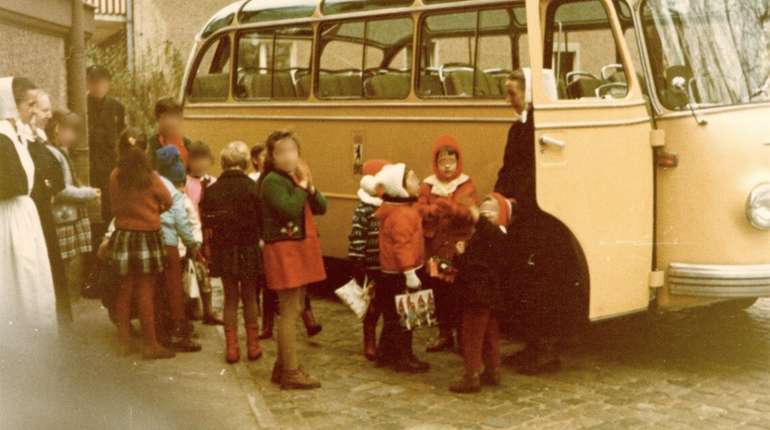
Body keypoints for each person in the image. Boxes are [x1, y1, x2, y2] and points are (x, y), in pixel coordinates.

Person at [494, 70, 588, 374]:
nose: (510, 100)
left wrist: (509, 199)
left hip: (539, 215)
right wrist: (498, 198)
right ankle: (536, 345)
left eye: (513, 93)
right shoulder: (521, 128)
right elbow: (510, 170)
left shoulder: (535, 129)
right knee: (532, 280)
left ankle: (544, 349)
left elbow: (528, 173)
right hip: (530, 212)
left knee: (540, 281)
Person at [258, 130, 326, 389]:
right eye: (282, 152)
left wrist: (310, 185)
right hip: (284, 250)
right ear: (272, 157)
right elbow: (289, 208)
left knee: (297, 307)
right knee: (288, 311)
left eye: (292, 151)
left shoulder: (293, 178)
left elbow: (321, 206)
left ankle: (282, 364)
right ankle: (291, 371)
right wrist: (301, 186)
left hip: (297, 248)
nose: (288, 157)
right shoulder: (272, 182)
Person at [108, 127, 175, 360]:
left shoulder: (116, 175)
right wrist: (155, 210)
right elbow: (168, 200)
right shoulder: (152, 177)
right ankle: (151, 345)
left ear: (120, 149)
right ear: (146, 150)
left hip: (124, 235)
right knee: (146, 292)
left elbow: (113, 204)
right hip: (147, 235)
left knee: (124, 291)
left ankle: (124, 342)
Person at [361, 163, 430, 373]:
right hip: (402, 274)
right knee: (406, 318)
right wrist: (410, 273)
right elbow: (402, 247)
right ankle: (404, 357)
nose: (418, 181)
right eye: (412, 179)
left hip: (389, 273)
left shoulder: (397, 209)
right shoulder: (403, 215)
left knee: (392, 316)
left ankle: (385, 353)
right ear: (399, 188)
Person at [0, 76, 57, 331]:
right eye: (29, 104)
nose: (34, 110)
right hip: (9, 219)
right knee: (15, 280)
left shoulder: (17, 135)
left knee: (31, 280)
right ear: (11, 105)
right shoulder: (3, 138)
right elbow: (13, 183)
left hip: (23, 217)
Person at [201, 141, 263, 364]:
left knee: (229, 298)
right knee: (249, 297)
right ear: (246, 163)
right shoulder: (253, 187)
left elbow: (207, 220)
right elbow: (261, 219)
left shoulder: (213, 190)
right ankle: (253, 345)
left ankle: (232, 348)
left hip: (224, 249)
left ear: (224, 163)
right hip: (248, 247)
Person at [417, 134, 478, 353]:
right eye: (442, 161)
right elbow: (419, 208)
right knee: (439, 292)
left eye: (451, 161)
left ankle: (463, 338)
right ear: (436, 163)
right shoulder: (427, 185)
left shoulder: (465, 184)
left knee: (458, 293)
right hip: (436, 248)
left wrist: (452, 209)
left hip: (456, 249)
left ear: (458, 161)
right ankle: (444, 335)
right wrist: (431, 210)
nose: (447, 166)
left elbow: (469, 212)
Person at [449, 193, 514, 393]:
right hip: (490, 295)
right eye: (483, 208)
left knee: (472, 336)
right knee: (489, 334)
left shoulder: (493, 234)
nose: (486, 212)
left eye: (492, 210)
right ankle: (493, 370)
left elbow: (475, 266)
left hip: (477, 294)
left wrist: (460, 256)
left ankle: (471, 375)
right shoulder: (497, 235)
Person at [45, 109, 100, 304]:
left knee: (71, 263)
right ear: (57, 129)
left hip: (69, 216)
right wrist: (88, 193)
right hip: (63, 218)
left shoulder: (62, 151)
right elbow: (61, 189)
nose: (73, 136)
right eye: (70, 130)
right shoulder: (53, 153)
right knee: (65, 264)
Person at [28, 91, 71, 326]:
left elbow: (56, 177)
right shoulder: (25, 141)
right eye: (44, 110)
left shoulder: (39, 140)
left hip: (43, 213)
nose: (48, 115)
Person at [155, 146, 202, 352]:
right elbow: (182, 222)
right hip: (170, 244)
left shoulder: (152, 182)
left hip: (152, 241)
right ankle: (180, 334)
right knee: (175, 291)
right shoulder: (173, 192)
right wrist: (192, 244)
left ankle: (160, 331)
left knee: (158, 290)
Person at [348, 159, 390, 361]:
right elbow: (357, 235)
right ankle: (369, 341)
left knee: (385, 304)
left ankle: (384, 343)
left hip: (387, 264)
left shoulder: (390, 206)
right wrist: (357, 260)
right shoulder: (364, 209)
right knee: (371, 307)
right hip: (371, 264)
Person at [184, 140, 223, 325]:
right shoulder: (185, 182)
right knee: (191, 270)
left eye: (204, 160)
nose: (200, 164)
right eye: (196, 160)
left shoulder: (213, 182)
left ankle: (208, 310)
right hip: (191, 231)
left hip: (207, 232)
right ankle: (192, 305)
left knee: (205, 271)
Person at [87, 65, 126, 231]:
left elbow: (122, 134)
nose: (98, 86)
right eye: (94, 82)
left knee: (111, 206)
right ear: (88, 83)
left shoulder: (117, 107)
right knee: (93, 208)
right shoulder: (82, 104)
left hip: (110, 162)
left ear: (108, 84)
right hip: (90, 163)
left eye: (102, 82)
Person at [148, 97, 191, 166]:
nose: (171, 122)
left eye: (175, 117)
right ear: (158, 119)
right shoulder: (151, 144)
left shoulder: (188, 145)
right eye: (166, 117)